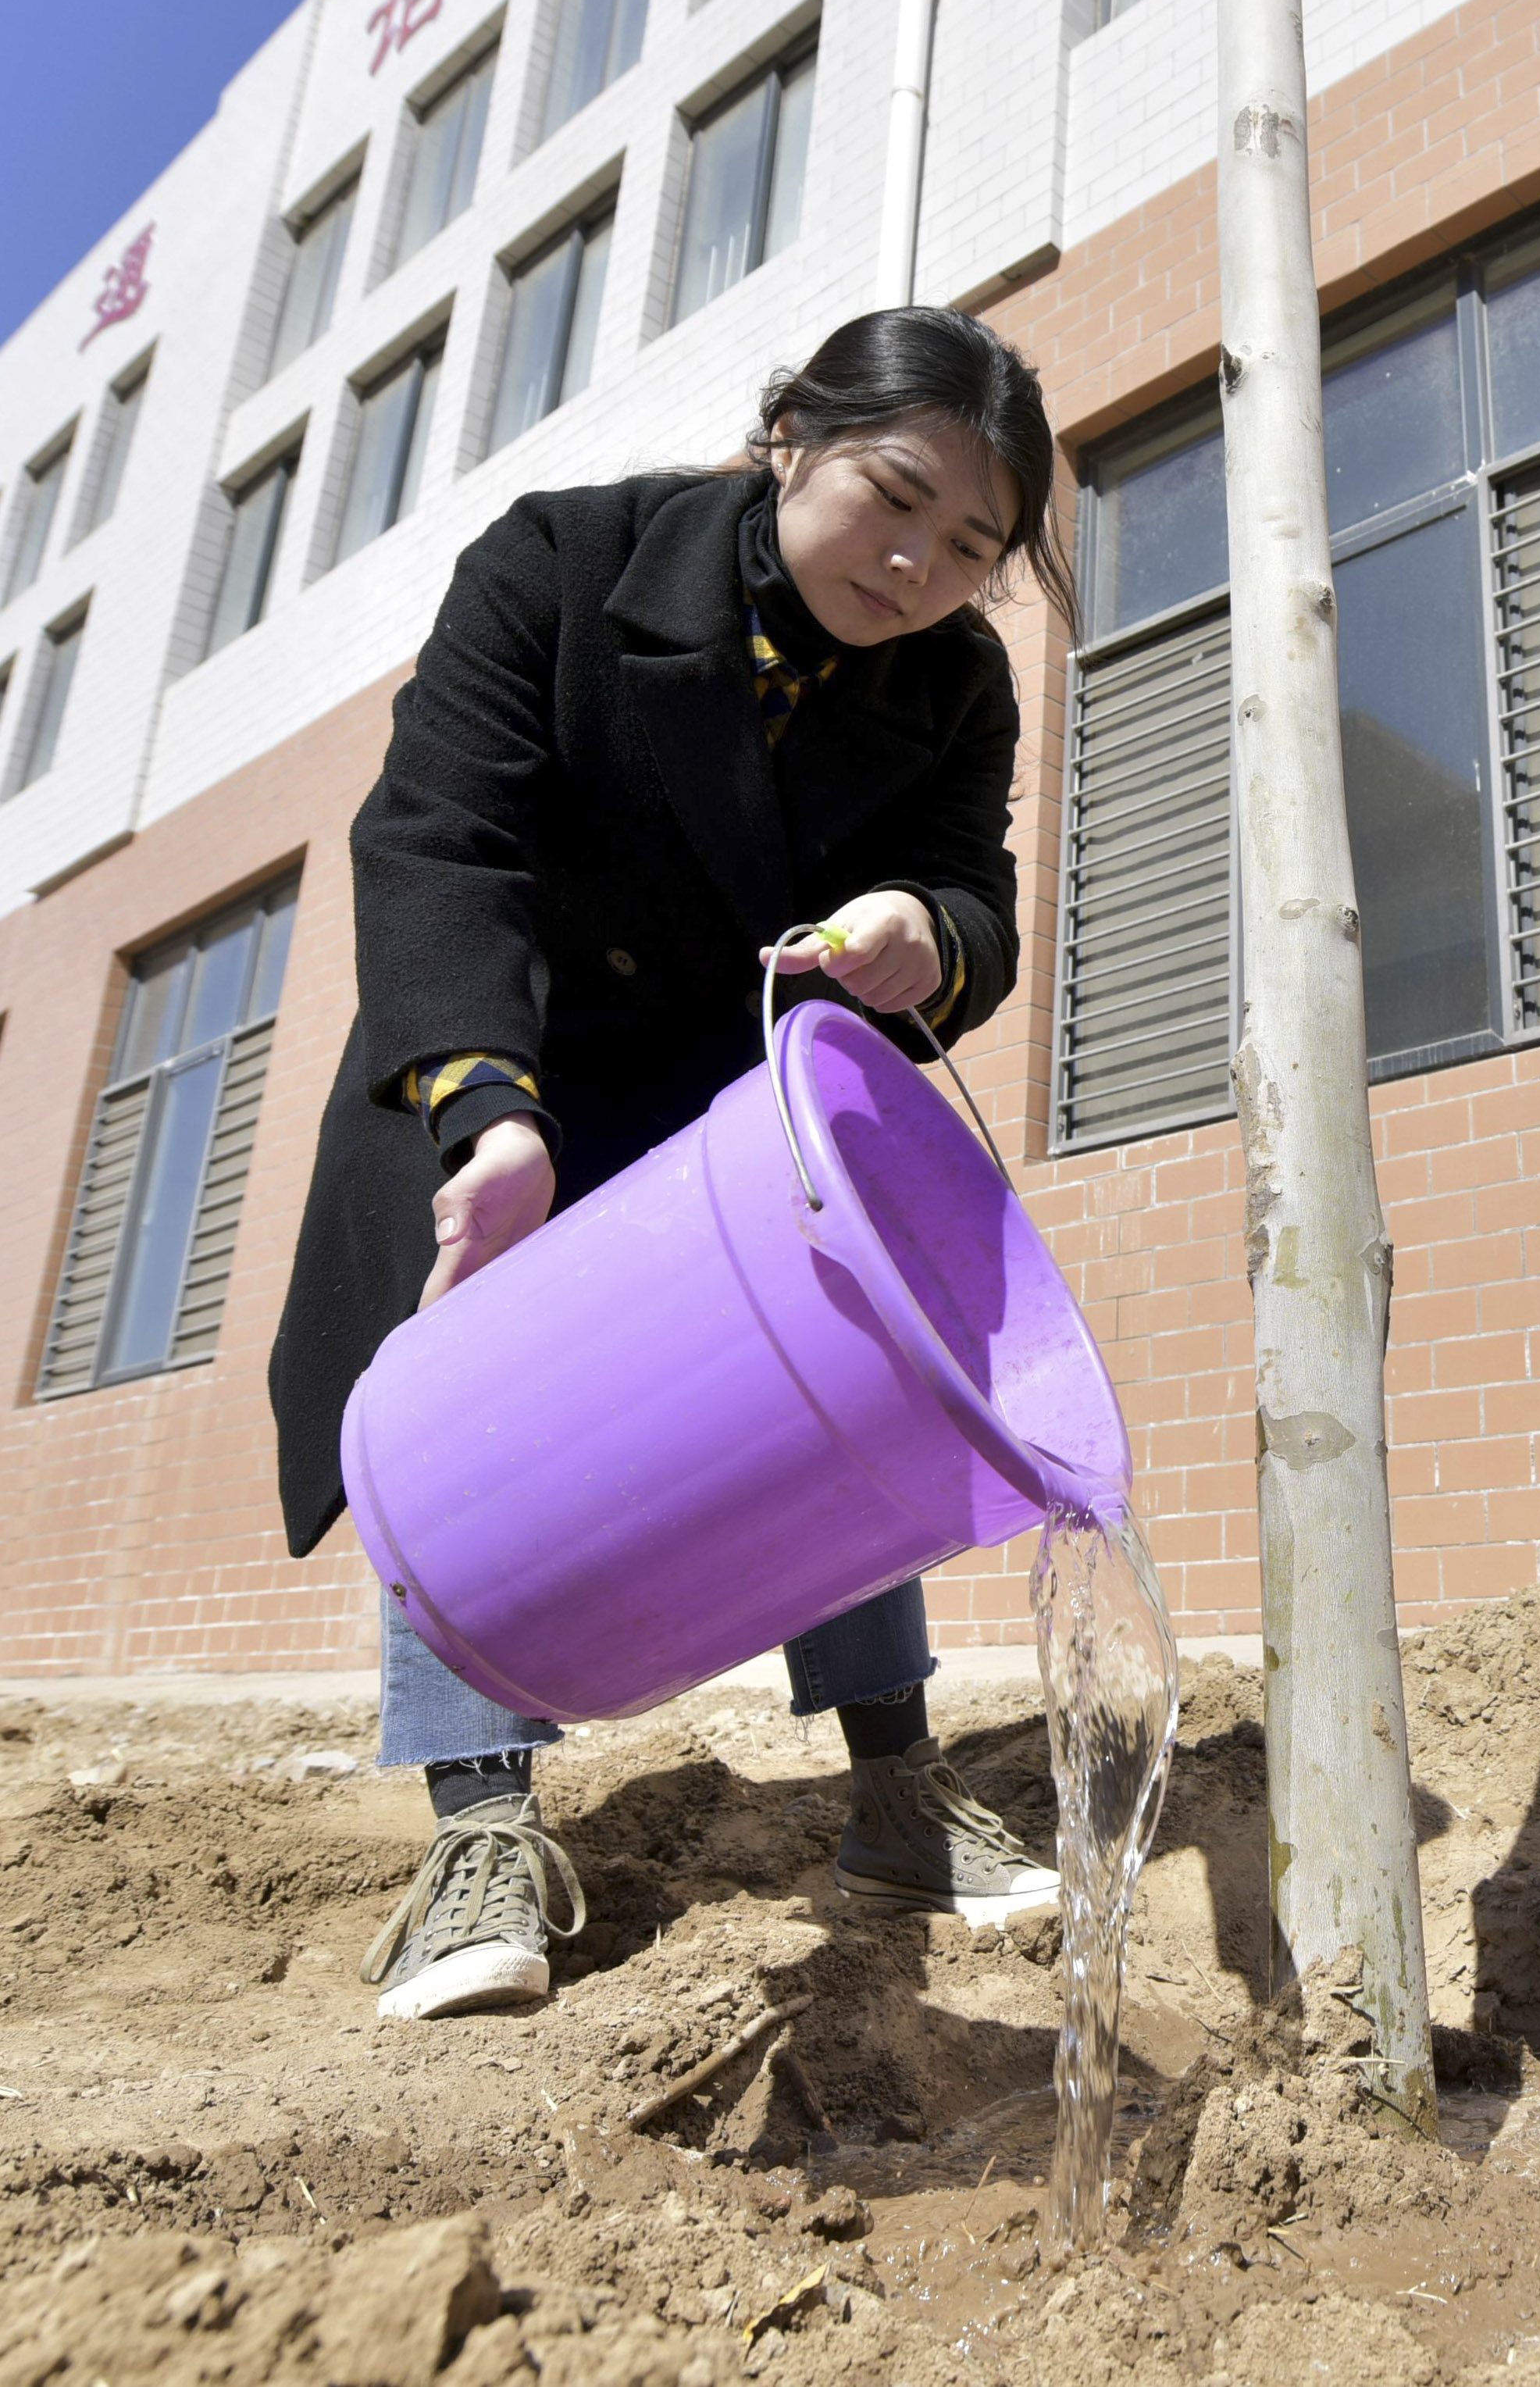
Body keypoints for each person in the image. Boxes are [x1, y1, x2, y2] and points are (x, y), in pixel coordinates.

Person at [271, 308, 1075, 2022]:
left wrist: (920, 936)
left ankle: (892, 1787)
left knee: (853, 1392)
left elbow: (974, 896)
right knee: (464, 1402)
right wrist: (489, 1114)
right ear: (790, 433)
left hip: (733, 1121)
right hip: (514, 1069)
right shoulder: (564, 562)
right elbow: (439, 836)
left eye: (975, 548)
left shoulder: (953, 686)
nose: (923, 564)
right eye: (895, 498)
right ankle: (479, 1832)